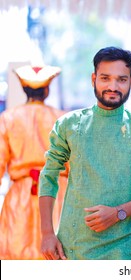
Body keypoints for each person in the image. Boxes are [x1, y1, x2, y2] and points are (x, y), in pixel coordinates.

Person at [38, 46, 131, 260]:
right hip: (74, 245)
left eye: (121, 79)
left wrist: (119, 213)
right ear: (94, 79)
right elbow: (48, 176)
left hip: (125, 248)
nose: (113, 86)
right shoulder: (69, 125)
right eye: (105, 78)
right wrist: (46, 233)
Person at [0, 64, 68, 259]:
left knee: (16, 256)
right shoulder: (62, 119)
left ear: (23, 89)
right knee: (57, 257)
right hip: (57, 193)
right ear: (47, 90)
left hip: (20, 194)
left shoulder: (8, 118)